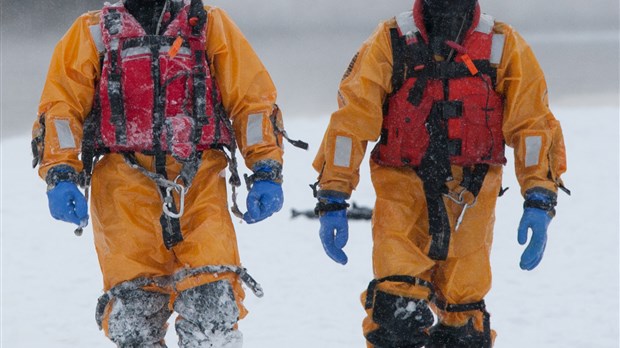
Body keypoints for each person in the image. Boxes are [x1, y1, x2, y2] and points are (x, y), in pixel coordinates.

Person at [31, 0, 294, 346]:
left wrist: (266, 165)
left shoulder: (208, 25)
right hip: (123, 193)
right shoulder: (93, 32)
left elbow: (251, 100)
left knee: (212, 303)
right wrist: (60, 172)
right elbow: (62, 107)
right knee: (135, 317)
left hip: (198, 183)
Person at [312, 0, 568, 347]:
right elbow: (352, 121)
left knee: (464, 320)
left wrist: (539, 196)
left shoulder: (502, 45)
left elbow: (533, 125)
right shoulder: (391, 40)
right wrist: (333, 194)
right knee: (393, 310)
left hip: (471, 202)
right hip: (403, 196)